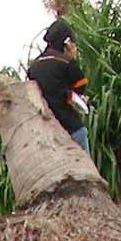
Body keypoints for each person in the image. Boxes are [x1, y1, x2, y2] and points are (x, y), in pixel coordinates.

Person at [26, 19, 90, 153]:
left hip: (47, 131)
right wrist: (73, 58)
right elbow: (81, 86)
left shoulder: (33, 67)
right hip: (71, 128)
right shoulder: (66, 61)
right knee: (84, 170)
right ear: (66, 42)